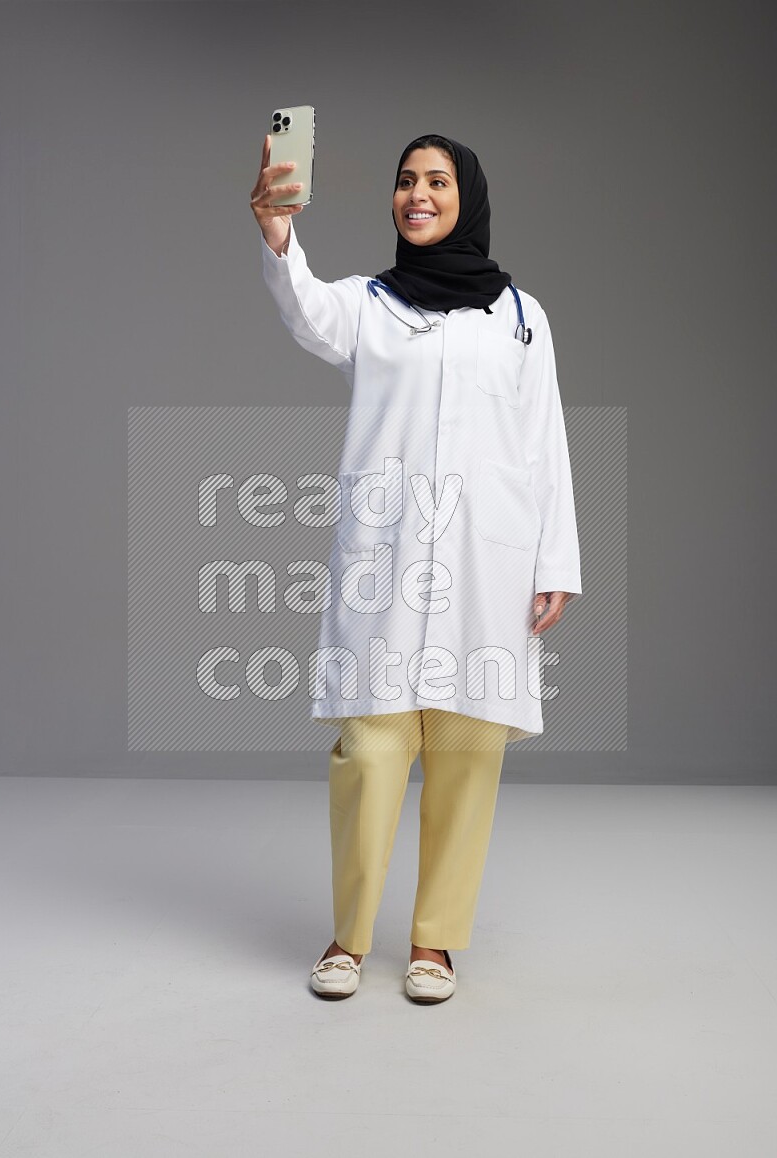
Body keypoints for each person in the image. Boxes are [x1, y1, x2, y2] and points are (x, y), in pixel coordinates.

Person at [251, 132, 582, 1003]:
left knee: (469, 748)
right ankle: (349, 937)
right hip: (387, 559)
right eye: (405, 182)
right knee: (371, 746)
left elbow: (544, 440)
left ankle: (435, 943)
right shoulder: (369, 303)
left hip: (487, 560)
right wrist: (281, 235)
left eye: (436, 181)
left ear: (466, 196)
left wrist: (555, 560)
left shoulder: (521, 315)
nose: (417, 195)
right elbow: (307, 314)